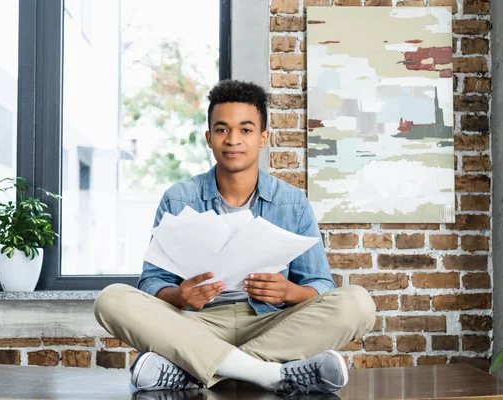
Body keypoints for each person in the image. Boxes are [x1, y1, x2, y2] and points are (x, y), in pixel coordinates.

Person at [94, 80, 376, 396]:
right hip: (195, 324)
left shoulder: (292, 203)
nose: (233, 140)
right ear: (209, 139)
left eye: (245, 130)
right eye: (221, 130)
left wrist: (288, 291)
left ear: (263, 138)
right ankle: (269, 373)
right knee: (112, 299)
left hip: (272, 323)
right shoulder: (178, 198)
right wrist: (180, 296)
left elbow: (322, 287)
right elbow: (151, 284)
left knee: (358, 303)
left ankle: (190, 370)